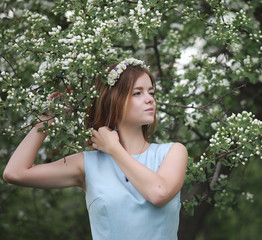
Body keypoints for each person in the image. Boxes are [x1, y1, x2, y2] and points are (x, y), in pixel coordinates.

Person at [2, 58, 188, 240]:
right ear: (113, 100)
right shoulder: (87, 164)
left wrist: (114, 149)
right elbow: (15, 173)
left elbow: (159, 193)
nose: (149, 100)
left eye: (151, 92)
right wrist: (46, 121)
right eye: (137, 93)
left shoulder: (172, 152)